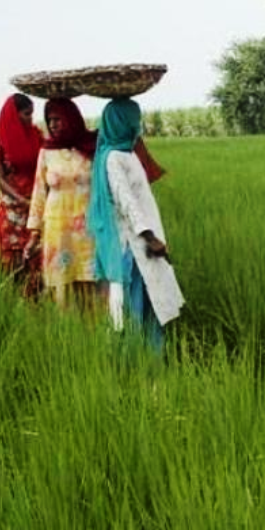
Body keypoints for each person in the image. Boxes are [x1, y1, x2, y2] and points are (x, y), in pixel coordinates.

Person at [88, 97, 183, 352]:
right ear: (121, 121)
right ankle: (136, 366)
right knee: (135, 308)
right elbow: (126, 202)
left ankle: (154, 366)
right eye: (133, 119)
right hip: (131, 245)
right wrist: (150, 237)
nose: (137, 125)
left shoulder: (128, 152)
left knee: (152, 305)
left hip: (144, 242)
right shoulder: (112, 158)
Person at [25, 98, 98, 307]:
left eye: (58, 119)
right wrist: (34, 233)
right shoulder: (46, 152)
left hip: (86, 226)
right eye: (50, 120)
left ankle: (95, 333)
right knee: (61, 282)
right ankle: (66, 331)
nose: (53, 124)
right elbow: (39, 192)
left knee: (89, 278)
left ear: (71, 118)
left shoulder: (90, 148)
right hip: (57, 228)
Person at [0, 93, 43, 297]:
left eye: (32, 114)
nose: (31, 118)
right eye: (27, 114)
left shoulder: (36, 135)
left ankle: (35, 300)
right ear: (14, 115)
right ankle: (12, 299)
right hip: (11, 211)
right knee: (14, 259)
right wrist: (21, 200)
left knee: (36, 254)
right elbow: (0, 179)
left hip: (35, 205)